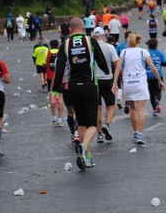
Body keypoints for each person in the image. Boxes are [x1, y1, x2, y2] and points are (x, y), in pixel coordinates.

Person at [51, 17, 109, 170]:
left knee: (81, 122)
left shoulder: (65, 45)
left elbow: (59, 70)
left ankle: (87, 157)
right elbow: (102, 64)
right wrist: (107, 71)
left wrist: (55, 91)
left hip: (73, 88)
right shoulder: (91, 42)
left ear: (70, 30)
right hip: (90, 86)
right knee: (92, 125)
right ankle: (84, 146)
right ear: (83, 28)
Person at [112, 34, 164, 145]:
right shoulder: (143, 52)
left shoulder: (124, 52)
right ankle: (140, 134)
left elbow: (117, 67)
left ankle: (135, 132)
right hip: (140, 83)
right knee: (141, 109)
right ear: (137, 41)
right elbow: (153, 68)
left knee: (132, 109)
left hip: (128, 83)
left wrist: (114, 83)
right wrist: (159, 80)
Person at [92, 27, 119, 143]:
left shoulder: (91, 48)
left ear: (93, 37)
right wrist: (116, 81)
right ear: (104, 35)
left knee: (97, 109)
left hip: (95, 81)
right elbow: (117, 65)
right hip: (108, 79)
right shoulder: (110, 47)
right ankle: (106, 125)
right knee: (110, 105)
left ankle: (99, 135)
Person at [145, 38, 166, 116]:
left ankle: (154, 110)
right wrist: (157, 62)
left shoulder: (146, 53)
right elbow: (165, 63)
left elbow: (143, 64)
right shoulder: (160, 53)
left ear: (148, 45)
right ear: (156, 45)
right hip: (159, 75)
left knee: (151, 93)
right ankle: (158, 101)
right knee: (158, 91)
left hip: (148, 75)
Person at [46, 40, 63, 126]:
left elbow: (46, 65)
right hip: (60, 78)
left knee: (52, 98)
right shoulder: (60, 53)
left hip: (50, 77)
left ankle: (54, 117)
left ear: (50, 45)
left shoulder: (48, 53)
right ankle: (60, 118)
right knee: (60, 98)